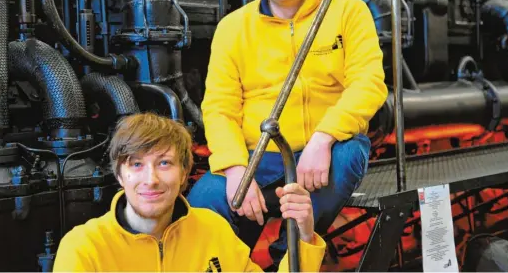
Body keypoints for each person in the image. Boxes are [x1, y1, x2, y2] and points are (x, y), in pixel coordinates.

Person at [186, 0, 388, 268]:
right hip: (256, 155)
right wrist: (236, 169)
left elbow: (369, 82)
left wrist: (323, 139)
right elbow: (219, 107)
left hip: (322, 152)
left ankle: (289, 258)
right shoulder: (233, 28)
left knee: (350, 153)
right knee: (205, 197)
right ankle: (233, 262)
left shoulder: (348, 12)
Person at [53, 113, 327, 272]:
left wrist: (302, 235)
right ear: (119, 175)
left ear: (184, 173)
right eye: (136, 165)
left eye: (164, 163)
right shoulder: (84, 250)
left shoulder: (213, 231)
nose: (151, 179)